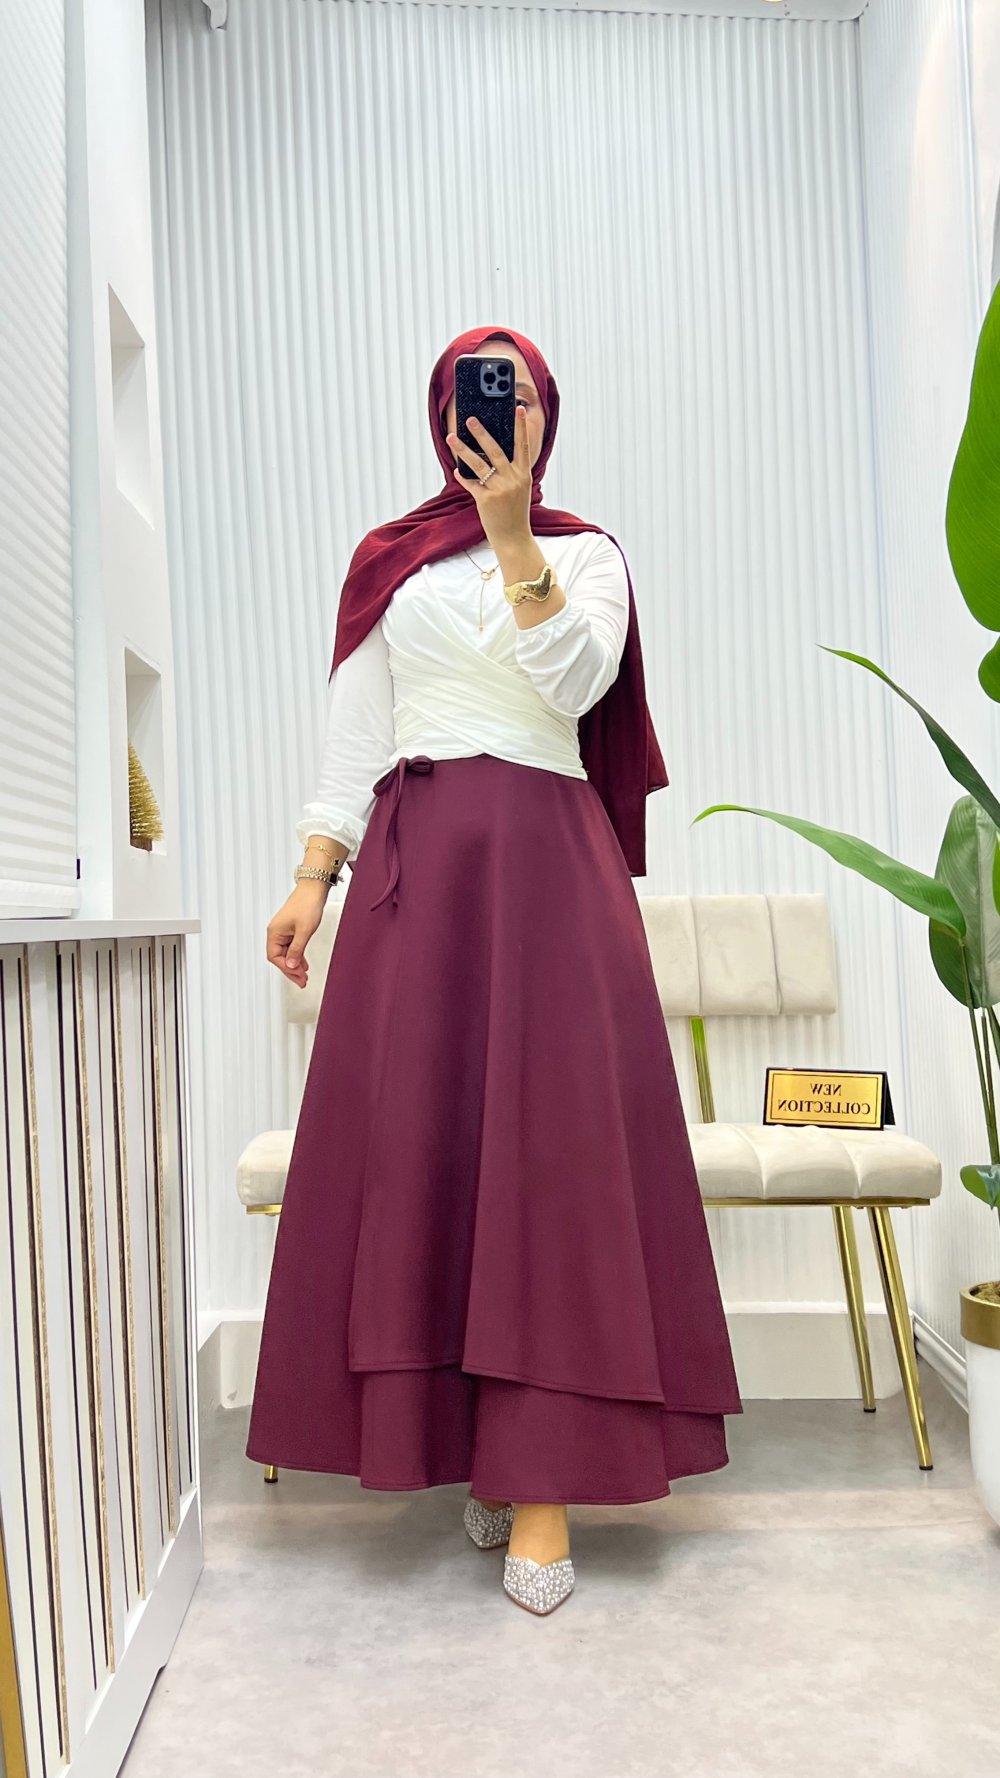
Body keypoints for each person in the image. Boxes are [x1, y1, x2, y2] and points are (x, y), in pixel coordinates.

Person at [245, 324, 743, 1616]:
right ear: (440, 412)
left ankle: (543, 1482)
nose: (497, 413)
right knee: (433, 1160)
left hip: (549, 879)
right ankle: (476, 1446)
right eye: (480, 394)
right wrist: (312, 874)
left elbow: (575, 683)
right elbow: (360, 728)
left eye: (517, 396)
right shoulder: (390, 561)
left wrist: (515, 533)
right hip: (419, 884)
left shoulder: (587, 555)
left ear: (545, 415)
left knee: (550, 1167)